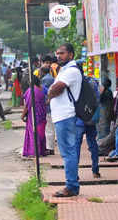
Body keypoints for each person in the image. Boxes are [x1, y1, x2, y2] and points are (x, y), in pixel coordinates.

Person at [47, 43, 82, 197]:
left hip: (65, 116)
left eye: (62, 53)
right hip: (61, 116)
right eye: (57, 53)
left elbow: (56, 88)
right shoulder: (64, 70)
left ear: (71, 55)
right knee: (68, 152)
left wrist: (49, 93)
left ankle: (71, 186)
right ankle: (72, 182)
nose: (58, 56)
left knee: (68, 152)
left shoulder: (72, 71)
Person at [75, 76, 101, 178]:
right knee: (93, 144)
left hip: (80, 119)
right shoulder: (93, 81)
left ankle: (75, 173)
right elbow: (98, 97)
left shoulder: (77, 82)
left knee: (76, 146)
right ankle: (95, 170)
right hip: (91, 118)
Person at [21, 75, 47, 157]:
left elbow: (27, 105)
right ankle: (41, 150)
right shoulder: (41, 89)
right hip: (42, 114)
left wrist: (22, 115)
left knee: (33, 133)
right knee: (41, 133)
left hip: (34, 114)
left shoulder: (31, 90)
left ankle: (34, 152)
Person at [41, 66, 56, 155]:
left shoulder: (45, 80)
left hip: (48, 107)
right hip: (52, 106)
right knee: (51, 128)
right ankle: (50, 147)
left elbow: (47, 93)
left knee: (49, 128)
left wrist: (47, 101)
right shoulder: (52, 78)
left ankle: (49, 148)